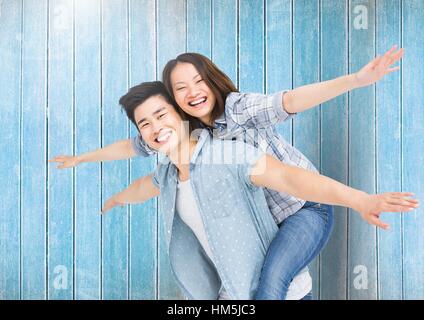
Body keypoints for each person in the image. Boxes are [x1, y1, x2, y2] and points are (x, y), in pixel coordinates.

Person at [50, 46, 404, 299]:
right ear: (174, 101)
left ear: (212, 79)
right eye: (181, 89)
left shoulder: (238, 109)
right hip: (268, 222)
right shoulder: (187, 138)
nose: (193, 92)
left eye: (198, 81)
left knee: (271, 284)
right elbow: (135, 148)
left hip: (303, 208)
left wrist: (355, 81)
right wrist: (82, 159)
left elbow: (291, 103)